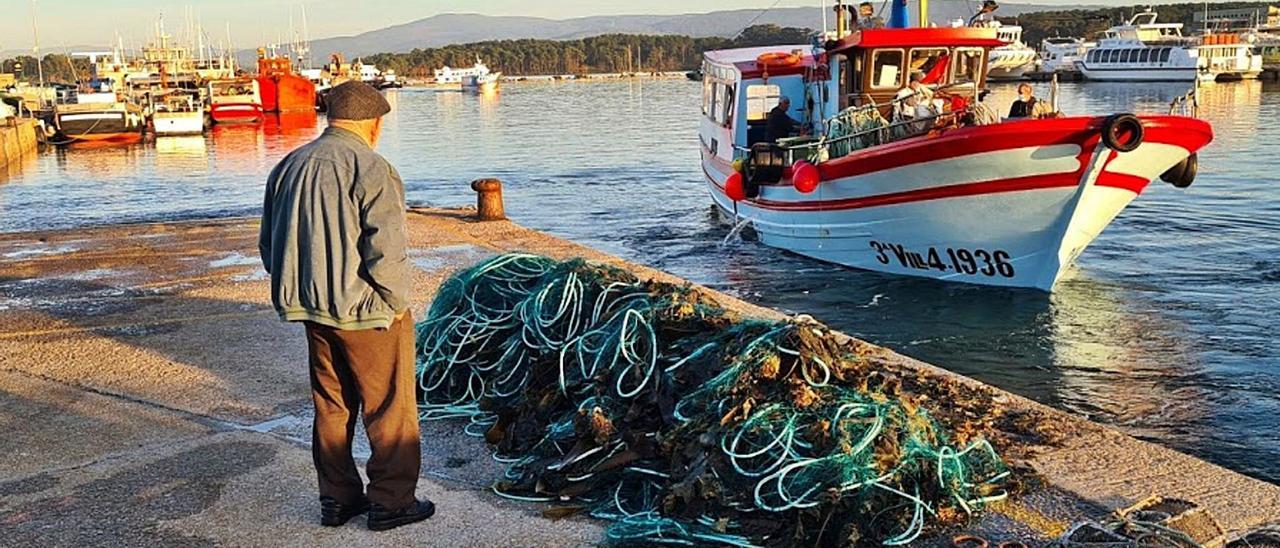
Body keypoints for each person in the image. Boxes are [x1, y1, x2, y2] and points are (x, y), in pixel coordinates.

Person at [259, 80, 435, 532]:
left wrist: (302, 288)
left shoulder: (289, 166)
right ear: (372, 124)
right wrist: (396, 303)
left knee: (332, 406)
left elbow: (268, 245)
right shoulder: (371, 167)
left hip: (312, 310)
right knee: (390, 407)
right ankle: (392, 502)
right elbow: (386, 250)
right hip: (367, 311)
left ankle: (337, 501)